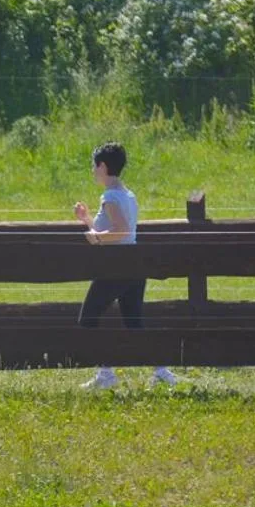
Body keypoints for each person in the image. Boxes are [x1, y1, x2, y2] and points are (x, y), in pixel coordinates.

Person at [73, 142, 179, 389]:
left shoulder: (109, 196)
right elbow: (120, 229)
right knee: (134, 322)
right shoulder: (127, 194)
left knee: (88, 317)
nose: (93, 170)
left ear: (102, 166)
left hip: (116, 266)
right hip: (134, 265)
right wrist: (87, 220)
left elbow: (119, 231)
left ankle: (106, 374)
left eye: (94, 166)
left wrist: (96, 238)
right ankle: (162, 371)